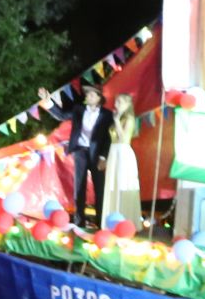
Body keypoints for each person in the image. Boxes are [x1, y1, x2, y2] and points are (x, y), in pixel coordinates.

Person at [40, 82, 112, 224]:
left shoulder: (107, 114)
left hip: (97, 154)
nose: (88, 96)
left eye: (92, 94)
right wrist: (48, 101)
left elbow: (107, 138)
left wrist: (104, 157)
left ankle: (101, 222)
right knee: (79, 187)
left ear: (99, 98)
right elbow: (61, 115)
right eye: (88, 94)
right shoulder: (79, 109)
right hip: (80, 151)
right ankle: (79, 221)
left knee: (99, 187)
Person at [101, 92, 141, 228]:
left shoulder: (129, 118)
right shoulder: (117, 116)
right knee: (112, 184)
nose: (116, 104)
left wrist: (117, 122)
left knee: (122, 184)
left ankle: (125, 221)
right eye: (116, 101)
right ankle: (112, 220)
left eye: (120, 102)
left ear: (128, 104)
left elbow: (124, 138)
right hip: (114, 152)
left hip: (123, 153)